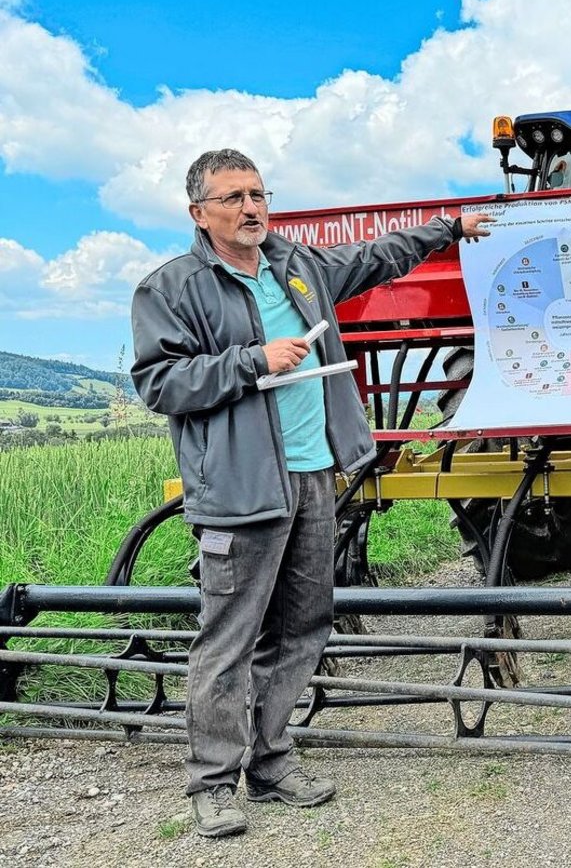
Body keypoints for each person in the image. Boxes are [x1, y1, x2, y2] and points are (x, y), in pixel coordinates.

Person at [130, 149, 493, 838]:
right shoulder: (170, 288)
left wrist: (449, 228)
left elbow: (377, 257)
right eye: (234, 197)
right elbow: (158, 383)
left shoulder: (296, 268)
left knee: (302, 628)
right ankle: (211, 783)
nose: (251, 208)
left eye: (258, 194)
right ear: (198, 213)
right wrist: (249, 362)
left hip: (312, 476)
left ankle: (270, 763)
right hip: (240, 490)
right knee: (229, 640)